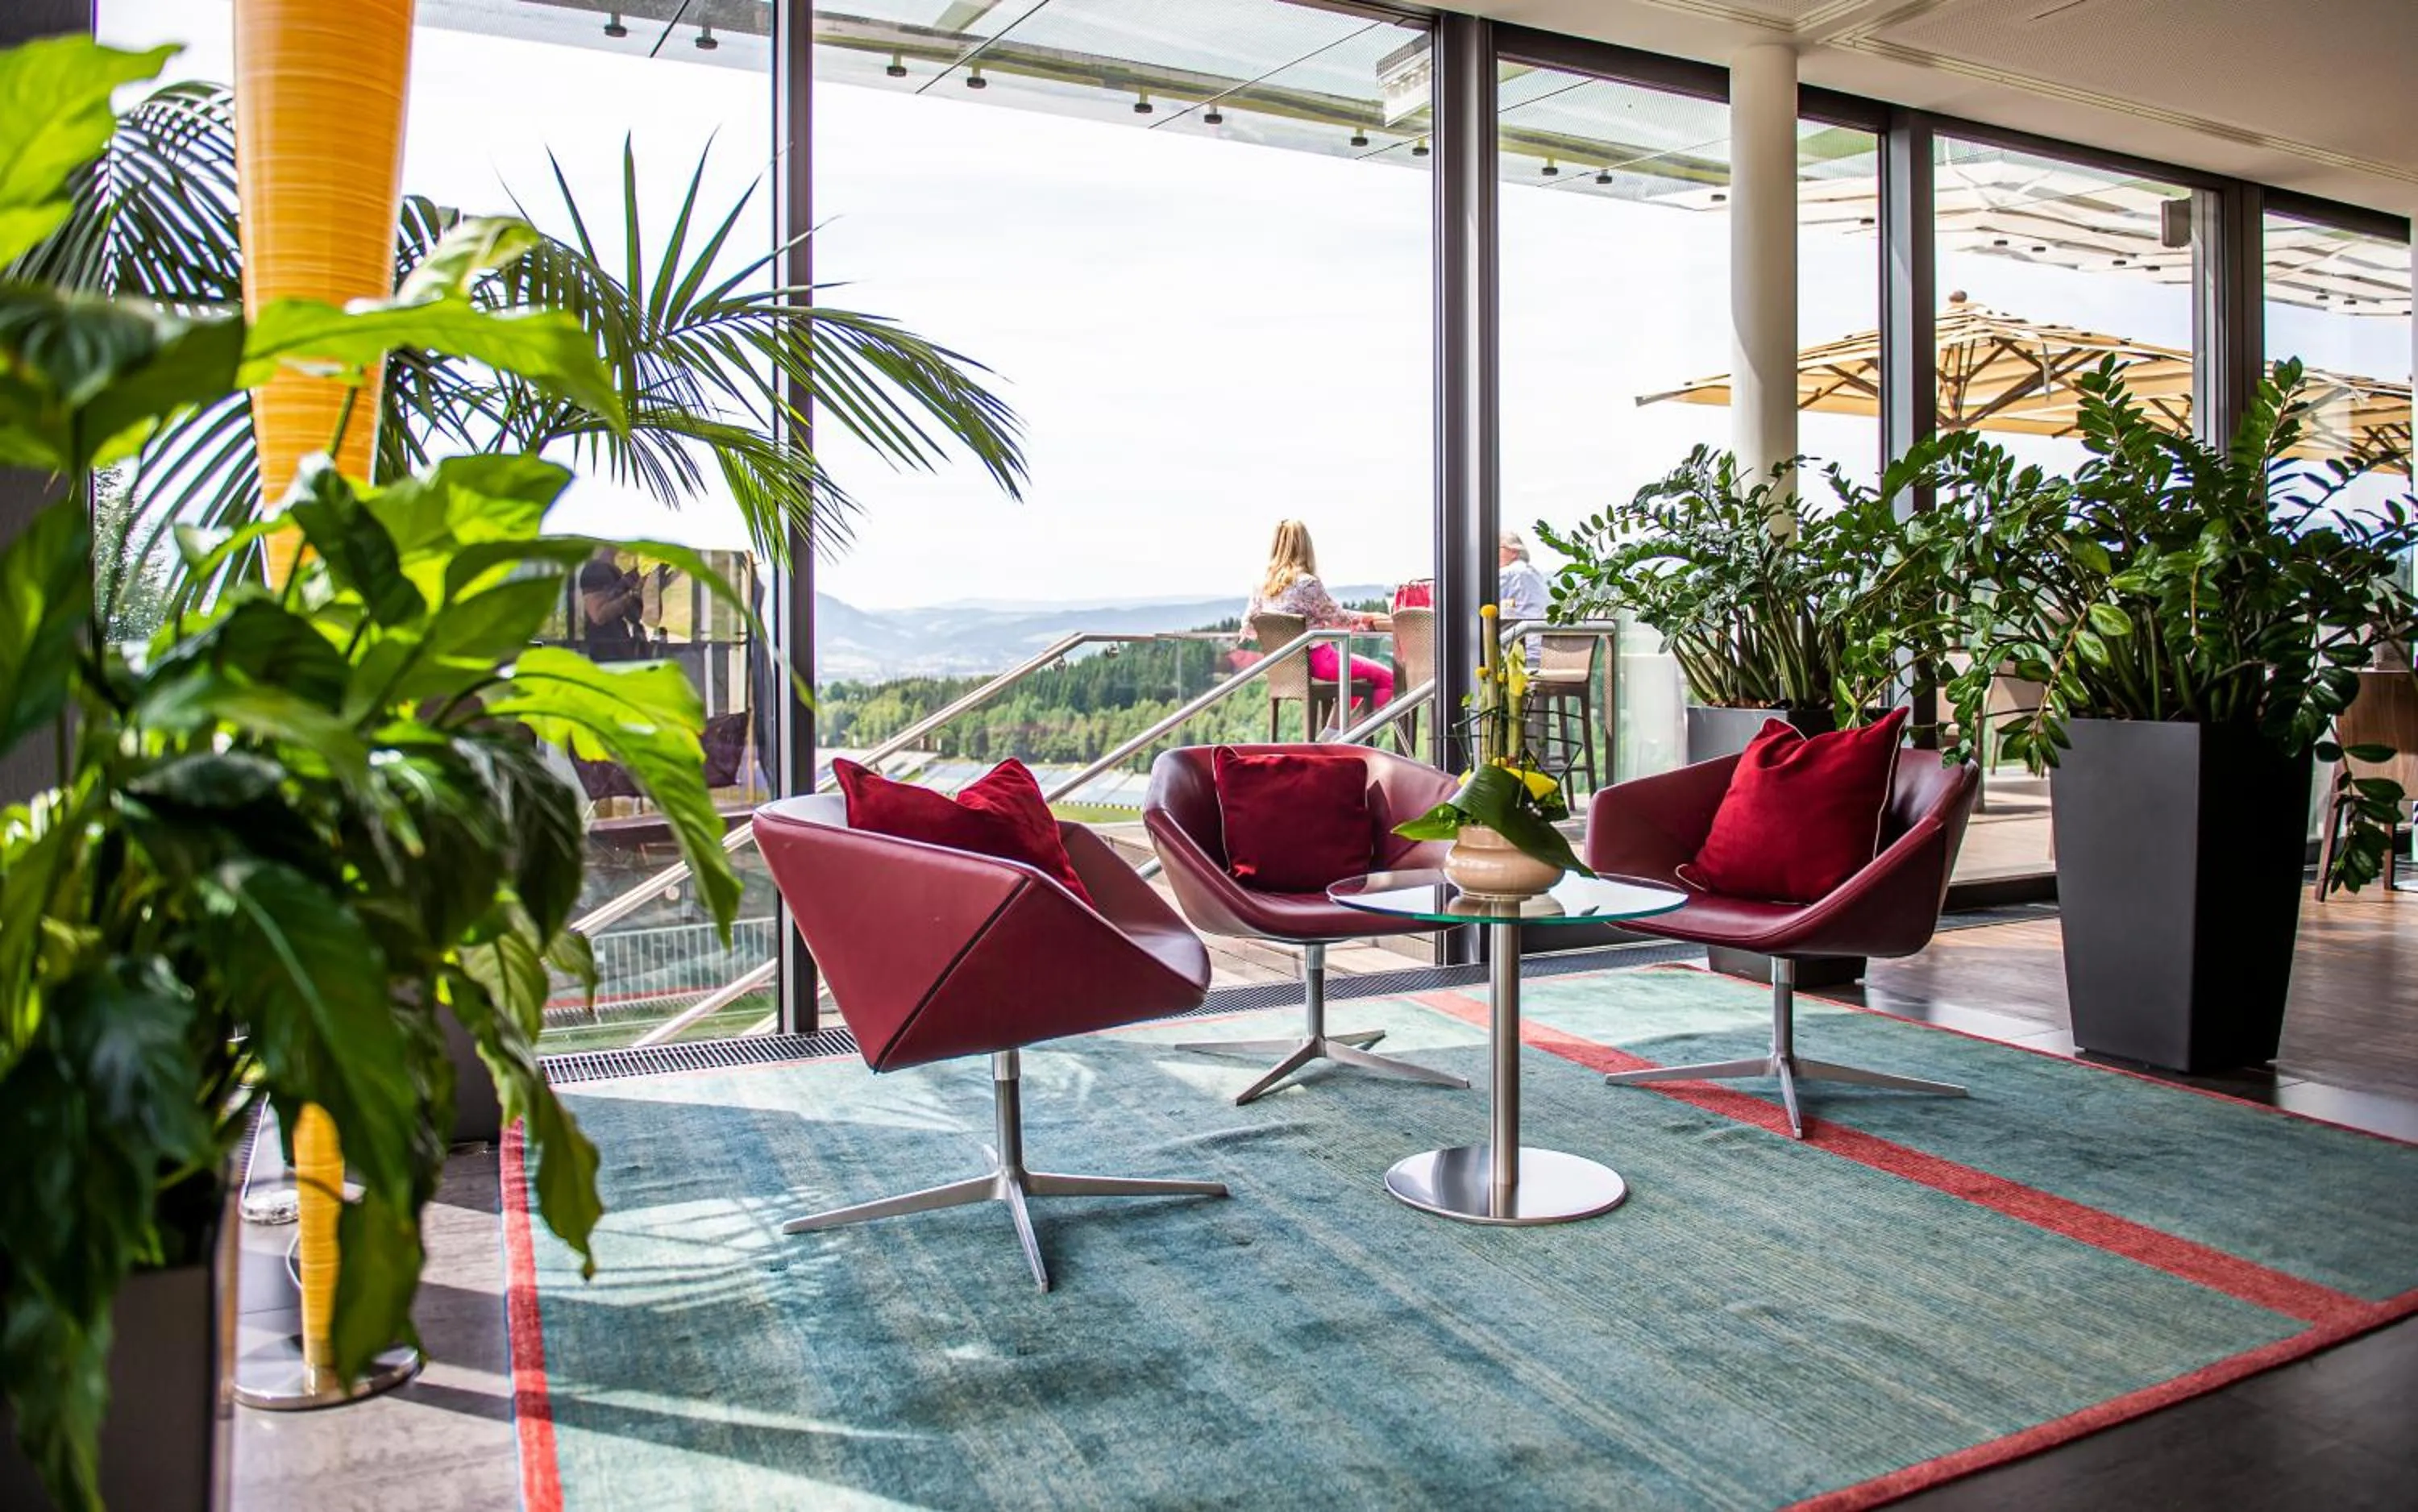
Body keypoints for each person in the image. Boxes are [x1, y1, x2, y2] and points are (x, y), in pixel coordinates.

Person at [1244, 520, 1394, 718]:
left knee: (1355, 681)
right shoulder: (1307, 584)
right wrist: (1370, 616)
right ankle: (1347, 738)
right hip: (1319, 662)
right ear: (1306, 546)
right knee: (1387, 679)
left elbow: (1249, 626)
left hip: (1283, 666)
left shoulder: (1262, 585)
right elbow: (1340, 620)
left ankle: (1334, 735)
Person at [578, 545, 648, 662]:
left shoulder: (616, 573)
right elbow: (598, 616)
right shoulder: (594, 570)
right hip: (606, 654)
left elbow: (633, 615)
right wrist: (631, 594)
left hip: (624, 650)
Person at [1498, 529, 1549, 670]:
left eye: (1498, 547)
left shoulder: (1511, 573)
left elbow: (1476, 595)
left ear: (1514, 552)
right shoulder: (1532, 573)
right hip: (1542, 650)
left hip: (1522, 652)